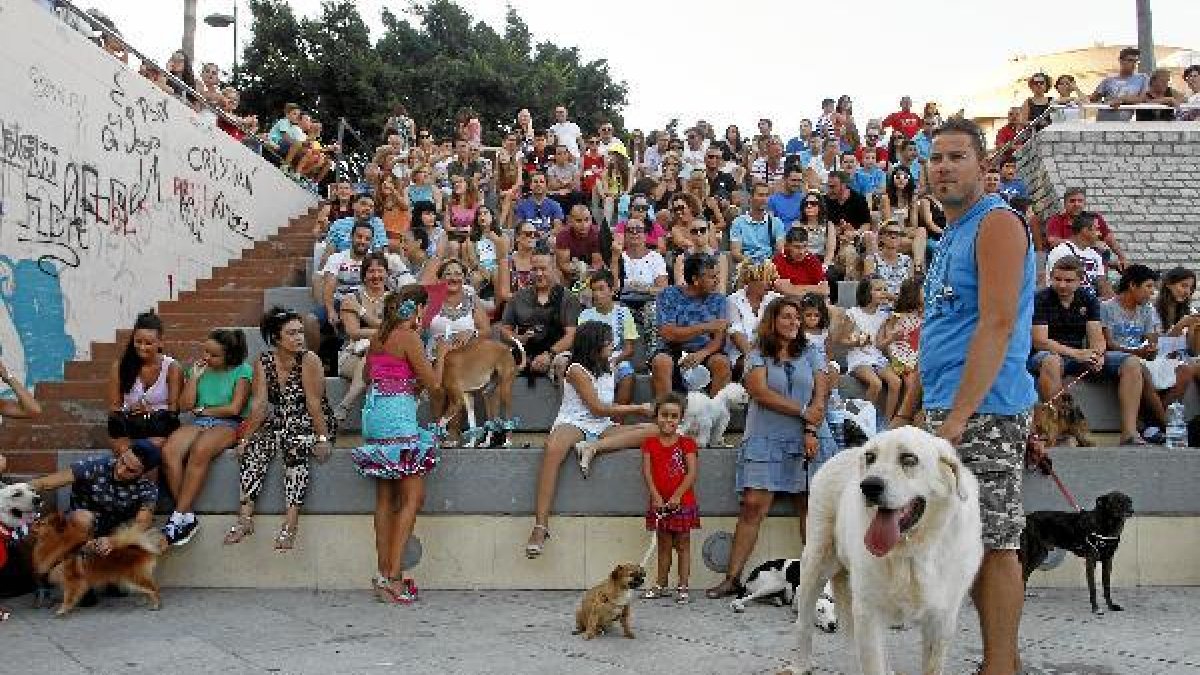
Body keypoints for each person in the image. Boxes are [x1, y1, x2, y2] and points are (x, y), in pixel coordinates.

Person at [898, 117, 1037, 675]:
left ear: (983, 165)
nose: (945, 167)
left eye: (957, 156)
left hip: (985, 408)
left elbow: (998, 323)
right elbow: (943, 331)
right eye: (936, 158)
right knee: (968, 541)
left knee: (996, 540)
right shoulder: (950, 231)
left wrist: (959, 415)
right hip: (949, 406)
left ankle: (1000, 666)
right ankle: (998, 659)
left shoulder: (997, 223)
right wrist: (913, 412)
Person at [706, 297, 834, 600]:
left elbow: (821, 393)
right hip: (767, 436)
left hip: (809, 435)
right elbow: (759, 392)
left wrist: (811, 427)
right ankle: (733, 578)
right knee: (753, 505)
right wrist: (803, 412)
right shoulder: (757, 353)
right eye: (787, 317)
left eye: (797, 317)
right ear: (772, 320)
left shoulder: (813, 351)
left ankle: (815, 580)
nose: (794, 323)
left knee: (809, 506)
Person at [352, 286, 451, 603]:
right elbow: (435, 386)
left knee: (385, 497)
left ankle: (383, 574)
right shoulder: (408, 338)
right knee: (413, 496)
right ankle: (393, 579)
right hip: (397, 418)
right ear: (417, 310)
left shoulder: (379, 338)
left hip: (375, 417)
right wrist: (443, 355)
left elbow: (370, 376)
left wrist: (408, 378)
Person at [524, 322, 656, 557]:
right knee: (553, 449)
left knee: (655, 430)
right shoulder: (575, 369)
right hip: (573, 422)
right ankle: (540, 526)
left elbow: (625, 353)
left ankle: (593, 447)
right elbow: (596, 408)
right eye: (606, 341)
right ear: (593, 344)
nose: (611, 344)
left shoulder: (609, 364)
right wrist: (638, 407)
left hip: (602, 427)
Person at [227, 308, 337, 550]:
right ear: (276, 337)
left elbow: (314, 403)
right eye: (291, 333)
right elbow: (259, 405)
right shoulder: (263, 361)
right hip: (280, 417)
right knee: (256, 445)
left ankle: (291, 522)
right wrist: (245, 438)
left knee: (294, 442)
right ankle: (245, 517)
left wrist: (322, 438)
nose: (299, 338)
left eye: (300, 332)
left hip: (311, 418)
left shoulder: (309, 359)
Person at [29, 442, 162, 605]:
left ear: (143, 473)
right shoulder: (95, 466)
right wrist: (11, 492)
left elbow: (143, 523)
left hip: (112, 539)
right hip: (81, 533)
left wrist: (114, 541)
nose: (121, 470)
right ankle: (72, 582)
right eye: (122, 461)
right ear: (123, 452)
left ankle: (111, 577)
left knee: (134, 535)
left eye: (131, 470)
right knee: (81, 518)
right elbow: (46, 483)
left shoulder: (147, 489)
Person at [1027, 257, 1141, 441]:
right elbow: (1040, 341)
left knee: (1131, 363)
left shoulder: (1088, 299)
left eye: (1068, 280)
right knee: (1051, 361)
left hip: (1077, 355)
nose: (1062, 285)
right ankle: (1060, 427)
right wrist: (1077, 353)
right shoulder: (1041, 299)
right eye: (1057, 279)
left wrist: (1098, 354)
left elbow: (1097, 337)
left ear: (1080, 281)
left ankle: (1129, 431)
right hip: (1047, 354)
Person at [160, 329, 252, 546]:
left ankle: (176, 516)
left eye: (213, 355)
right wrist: (194, 378)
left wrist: (203, 410)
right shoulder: (200, 369)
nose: (206, 358)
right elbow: (185, 406)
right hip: (200, 422)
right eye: (205, 352)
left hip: (230, 425)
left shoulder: (243, 371)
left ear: (229, 355)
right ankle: (186, 516)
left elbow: (234, 408)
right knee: (169, 450)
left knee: (200, 450)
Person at [1099, 265, 1186, 441]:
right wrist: (1135, 352)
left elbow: (1152, 339)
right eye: (1148, 286)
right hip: (1116, 357)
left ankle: (1153, 426)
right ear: (1132, 285)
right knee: (1141, 369)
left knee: (1183, 370)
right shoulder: (1107, 308)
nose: (1152, 292)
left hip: (1141, 356)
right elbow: (1108, 344)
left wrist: (1151, 348)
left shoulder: (1147, 309)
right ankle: (1167, 426)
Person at [640, 393, 700, 604]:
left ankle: (683, 586)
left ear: (680, 418)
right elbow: (647, 473)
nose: (668, 420)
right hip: (660, 504)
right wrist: (656, 497)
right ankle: (660, 583)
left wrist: (677, 496)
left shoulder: (687, 443)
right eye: (664, 415)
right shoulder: (649, 444)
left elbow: (691, 473)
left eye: (674, 416)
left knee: (683, 544)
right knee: (663, 544)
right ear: (656, 416)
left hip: (682, 502)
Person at [105, 311, 183, 462]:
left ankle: (147, 485)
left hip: (160, 428)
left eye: (148, 343)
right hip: (128, 427)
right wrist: (130, 409)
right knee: (126, 451)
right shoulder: (120, 366)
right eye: (138, 341)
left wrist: (151, 411)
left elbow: (174, 411)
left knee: (145, 451)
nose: (142, 347)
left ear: (160, 342)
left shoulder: (172, 368)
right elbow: (114, 408)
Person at [652, 254, 731, 398]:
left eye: (717, 275)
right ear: (695, 279)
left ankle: (713, 413)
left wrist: (702, 353)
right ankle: (666, 412)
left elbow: (719, 339)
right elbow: (668, 334)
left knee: (722, 363)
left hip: (706, 351)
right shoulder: (668, 294)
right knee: (661, 362)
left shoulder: (719, 300)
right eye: (712, 277)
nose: (717, 280)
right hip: (672, 349)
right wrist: (707, 327)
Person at [499, 245, 580, 382]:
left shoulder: (568, 298)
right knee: (499, 364)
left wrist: (549, 355)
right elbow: (504, 331)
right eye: (534, 269)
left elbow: (571, 335)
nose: (539, 274)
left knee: (562, 364)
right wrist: (519, 338)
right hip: (525, 351)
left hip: (557, 353)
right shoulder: (518, 297)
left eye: (543, 269)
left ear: (553, 269)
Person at [334, 253, 391, 421]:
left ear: (387, 273)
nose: (376, 276)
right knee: (372, 355)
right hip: (352, 355)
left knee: (374, 359)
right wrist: (384, 330)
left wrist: (361, 312)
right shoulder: (350, 299)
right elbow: (353, 332)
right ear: (363, 275)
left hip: (384, 356)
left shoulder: (393, 299)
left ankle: (347, 403)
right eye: (371, 271)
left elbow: (397, 329)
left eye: (380, 271)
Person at [841, 277, 902, 421]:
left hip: (877, 357)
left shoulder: (884, 316)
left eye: (885, 290)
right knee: (876, 383)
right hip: (859, 358)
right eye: (878, 290)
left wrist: (891, 338)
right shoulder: (853, 313)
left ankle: (887, 422)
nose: (883, 293)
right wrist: (856, 343)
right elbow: (841, 340)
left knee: (896, 382)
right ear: (866, 292)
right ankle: (864, 420)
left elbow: (879, 345)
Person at [578, 270, 639, 414]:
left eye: (601, 289)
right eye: (594, 290)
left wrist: (614, 360)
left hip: (616, 358)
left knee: (628, 374)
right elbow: (582, 347)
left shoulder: (623, 313)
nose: (596, 294)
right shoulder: (585, 315)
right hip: (591, 360)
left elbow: (629, 349)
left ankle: (616, 420)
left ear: (612, 291)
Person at [1042, 188, 1127, 271]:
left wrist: (1122, 257)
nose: (1076, 204)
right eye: (1072, 201)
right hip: (1066, 265)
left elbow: (1110, 240)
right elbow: (1053, 242)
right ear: (1065, 204)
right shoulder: (1056, 220)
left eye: (1080, 201)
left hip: (1093, 263)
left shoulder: (1095, 218)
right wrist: (1089, 244)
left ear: (1084, 203)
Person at [726, 260, 783, 379]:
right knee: (759, 367)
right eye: (766, 280)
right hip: (742, 354)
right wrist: (755, 358)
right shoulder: (733, 300)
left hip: (772, 351)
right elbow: (736, 334)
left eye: (772, 279)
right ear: (751, 280)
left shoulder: (777, 299)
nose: (771, 284)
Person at [1045, 211, 1112, 299]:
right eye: (1096, 229)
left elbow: (1102, 285)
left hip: (1089, 305)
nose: (1100, 234)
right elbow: (1054, 285)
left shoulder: (1095, 255)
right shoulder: (1061, 252)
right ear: (1085, 230)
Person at [730, 183, 785, 264]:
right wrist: (753, 264)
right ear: (751, 198)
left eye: (767, 195)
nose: (764, 199)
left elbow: (780, 250)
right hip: (746, 264)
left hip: (769, 265)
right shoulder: (738, 222)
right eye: (760, 195)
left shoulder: (776, 222)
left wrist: (767, 265)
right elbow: (735, 252)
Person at [1091, 47, 1150, 122]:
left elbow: (1141, 99)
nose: (1134, 64)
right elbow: (1093, 98)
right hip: (1103, 121)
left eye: (1136, 61)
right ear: (1120, 60)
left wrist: (1122, 99)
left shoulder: (1142, 78)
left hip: (1123, 124)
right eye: (1130, 60)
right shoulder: (1108, 80)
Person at [1155, 266, 1200, 358]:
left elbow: (1193, 352)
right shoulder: (1152, 311)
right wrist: (1179, 326)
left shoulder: (1191, 311)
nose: (1187, 292)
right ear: (1168, 284)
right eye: (1184, 286)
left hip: (1186, 362)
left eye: (1191, 288)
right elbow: (1156, 350)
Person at [772, 227, 829, 297]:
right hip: (787, 304)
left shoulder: (812, 260)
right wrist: (814, 288)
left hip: (811, 303)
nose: (801, 252)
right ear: (787, 246)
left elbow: (825, 290)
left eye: (804, 246)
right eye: (797, 247)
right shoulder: (778, 261)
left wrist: (793, 288)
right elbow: (781, 288)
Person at [514, 173, 565, 240]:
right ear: (530, 186)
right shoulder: (522, 205)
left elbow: (558, 228)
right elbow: (519, 227)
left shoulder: (555, 205)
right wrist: (534, 234)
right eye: (535, 182)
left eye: (541, 182)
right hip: (528, 238)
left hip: (548, 239)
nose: (538, 184)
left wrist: (546, 235)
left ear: (546, 185)